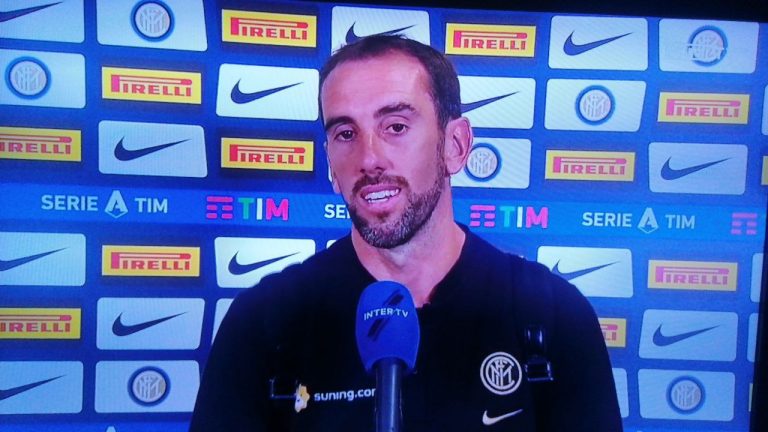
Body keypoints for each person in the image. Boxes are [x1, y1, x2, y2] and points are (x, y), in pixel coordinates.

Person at [190, 35, 622, 431]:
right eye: (346, 133)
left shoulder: (552, 317)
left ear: (455, 145)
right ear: (330, 164)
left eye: (395, 126)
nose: (368, 158)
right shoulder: (264, 323)